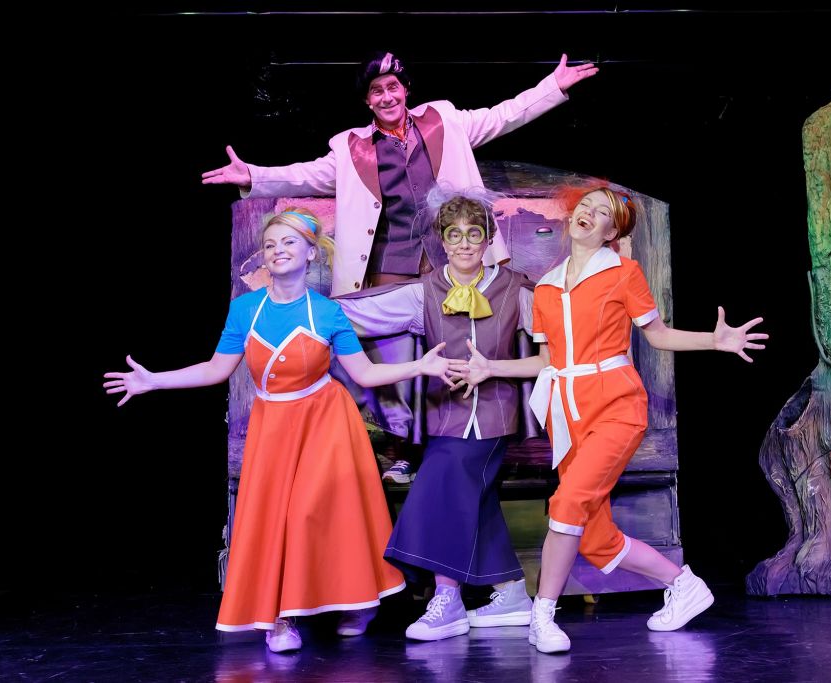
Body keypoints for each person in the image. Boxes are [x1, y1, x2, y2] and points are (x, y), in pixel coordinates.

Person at [202, 51, 598, 482]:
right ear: (367, 100)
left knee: (467, 345)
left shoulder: (444, 121)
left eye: (393, 87)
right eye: (377, 91)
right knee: (390, 354)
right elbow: (306, 175)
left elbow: (503, 115)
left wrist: (552, 86)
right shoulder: (351, 148)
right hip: (390, 261)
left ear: (406, 90)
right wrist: (252, 176)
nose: (387, 96)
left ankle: (470, 443)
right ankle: (403, 448)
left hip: (453, 258)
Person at [103, 209, 458, 653]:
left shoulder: (327, 313)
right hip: (273, 425)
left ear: (310, 254)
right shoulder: (245, 309)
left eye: (289, 242)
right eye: (271, 244)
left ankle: (355, 601)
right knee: (278, 519)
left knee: (321, 512)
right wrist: (154, 380)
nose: (278, 250)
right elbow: (215, 370)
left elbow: (365, 374)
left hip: (326, 423)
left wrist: (419, 366)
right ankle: (280, 617)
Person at [454, 187, 768, 653]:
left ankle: (542, 615)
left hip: (617, 405)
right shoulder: (545, 287)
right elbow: (547, 362)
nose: (589, 212)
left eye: (602, 212)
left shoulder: (624, 273)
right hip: (567, 413)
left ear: (610, 232)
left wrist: (713, 341)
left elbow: (657, 335)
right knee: (594, 539)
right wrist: (491, 368)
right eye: (586, 205)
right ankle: (684, 584)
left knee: (566, 504)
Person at [336, 187, 536, 641]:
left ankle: (447, 599)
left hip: (493, 418)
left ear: (488, 240)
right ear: (442, 241)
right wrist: (297, 309)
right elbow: (354, 316)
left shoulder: (515, 290)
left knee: (437, 485)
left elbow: (558, 343)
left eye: (474, 234)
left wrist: (495, 368)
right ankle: (510, 590)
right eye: (454, 234)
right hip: (444, 416)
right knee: (475, 501)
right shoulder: (423, 291)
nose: (465, 243)